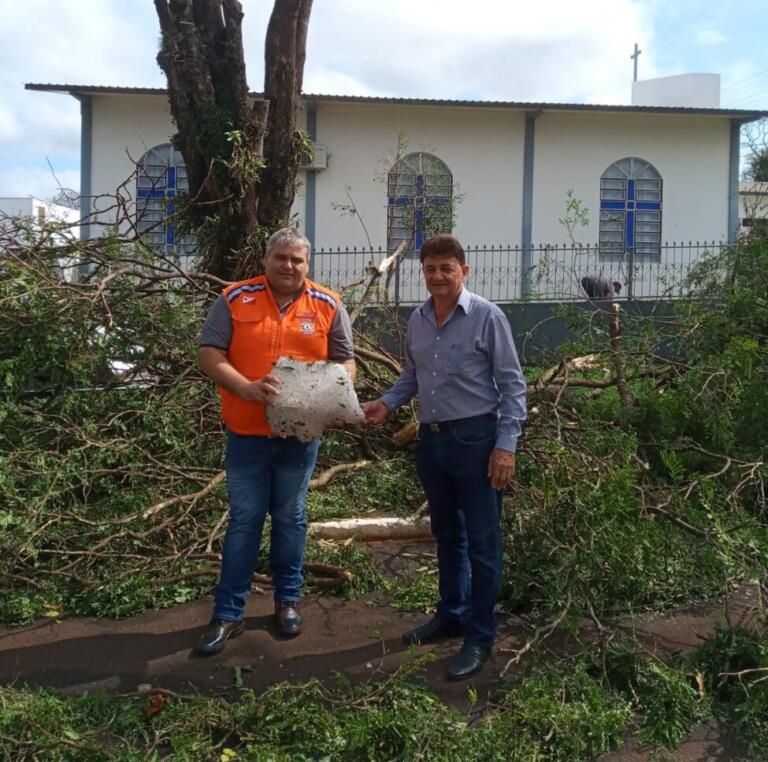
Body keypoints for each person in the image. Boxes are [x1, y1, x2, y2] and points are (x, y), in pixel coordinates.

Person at [362, 234, 527, 680]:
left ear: (464, 272)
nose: (437, 277)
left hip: (477, 441)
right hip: (432, 444)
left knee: (483, 541)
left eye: (446, 269)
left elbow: (513, 387)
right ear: (423, 273)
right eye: (430, 269)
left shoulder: (488, 318)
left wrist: (505, 445)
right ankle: (451, 614)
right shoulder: (418, 320)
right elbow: (413, 375)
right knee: (447, 535)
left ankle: (479, 633)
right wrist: (386, 404)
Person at [195, 227, 356, 656]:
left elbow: (345, 360)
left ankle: (287, 602)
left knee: (291, 519)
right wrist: (246, 387)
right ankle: (228, 613)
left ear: (307, 264)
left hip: (299, 439)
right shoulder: (234, 298)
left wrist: (334, 398)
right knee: (245, 521)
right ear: (266, 259)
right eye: (281, 258)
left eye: (297, 260)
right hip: (246, 435)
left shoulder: (328, 304)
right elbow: (210, 354)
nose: (289, 266)